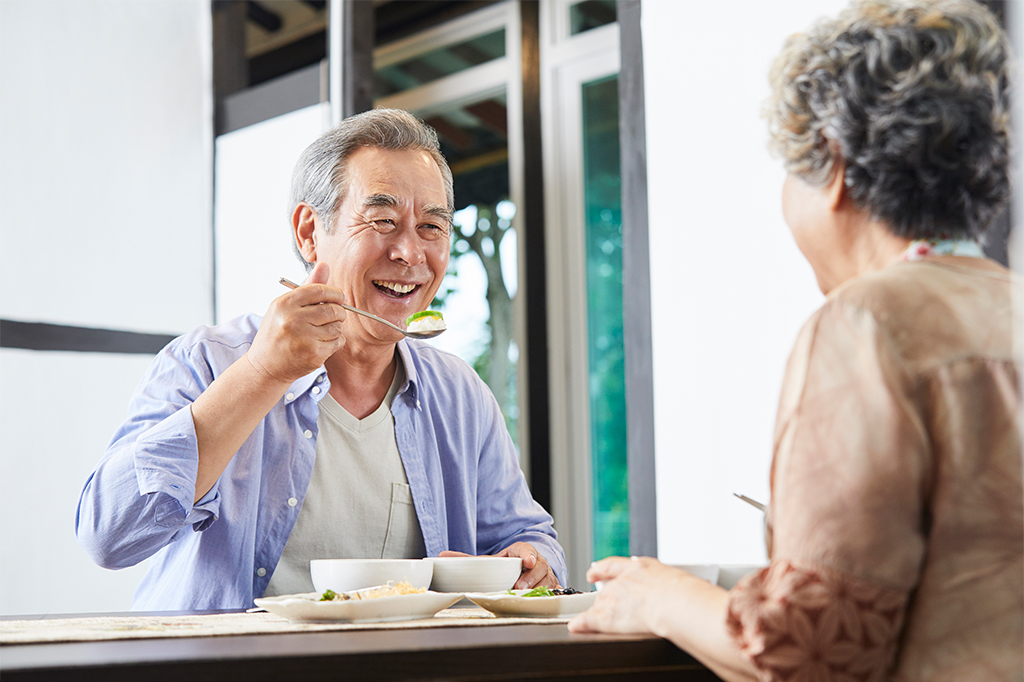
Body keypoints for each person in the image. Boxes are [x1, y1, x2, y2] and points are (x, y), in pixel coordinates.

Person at [569, 1, 1022, 679]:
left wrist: (660, 597)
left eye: (791, 169)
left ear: (833, 166)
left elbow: (810, 648)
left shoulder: (866, 322)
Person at [76, 108, 566, 610]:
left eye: (431, 227)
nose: (410, 252)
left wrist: (528, 561)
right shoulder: (207, 361)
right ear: (310, 232)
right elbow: (108, 536)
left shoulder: (458, 393)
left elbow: (527, 537)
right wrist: (263, 373)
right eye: (383, 221)